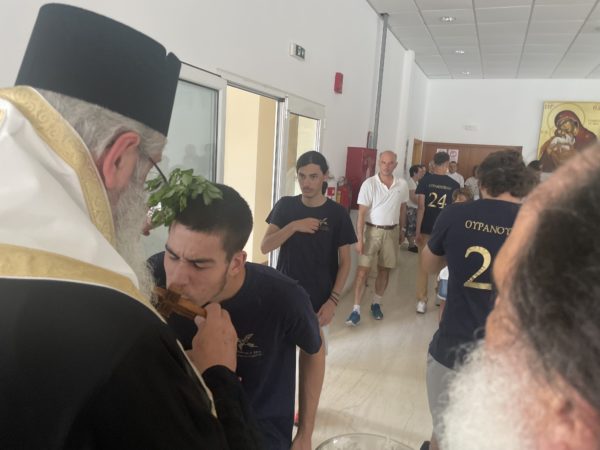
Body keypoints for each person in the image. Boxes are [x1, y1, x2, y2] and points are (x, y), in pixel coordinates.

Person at [0, 5, 262, 449]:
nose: (143, 214)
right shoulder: (118, 328)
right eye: (147, 170)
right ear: (120, 157)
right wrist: (218, 374)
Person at [439, 145, 600, 450]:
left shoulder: (456, 214)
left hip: (450, 341)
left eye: (509, 309)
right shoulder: (526, 220)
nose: (493, 328)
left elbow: (429, 261)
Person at [151, 184, 324, 450]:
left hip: (260, 436)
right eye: (172, 256)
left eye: (199, 264)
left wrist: (305, 433)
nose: (176, 280)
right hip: (183, 429)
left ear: (235, 263)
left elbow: (315, 349)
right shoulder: (151, 276)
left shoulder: (283, 297)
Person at [420, 150, 536, 450]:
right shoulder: (539, 224)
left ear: (482, 181)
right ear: (523, 182)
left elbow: (429, 265)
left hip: (452, 349)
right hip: (509, 360)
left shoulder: (455, 214)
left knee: (443, 434)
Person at [261, 151, 357, 331]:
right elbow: (265, 246)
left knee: (316, 347)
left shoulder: (337, 213)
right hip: (285, 294)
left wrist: (333, 301)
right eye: (302, 176)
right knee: (282, 347)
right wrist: (294, 226)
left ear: (325, 176)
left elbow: (345, 262)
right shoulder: (285, 205)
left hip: (320, 301)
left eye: (313, 177)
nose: (306, 183)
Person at [345, 150, 409, 325]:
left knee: (384, 270)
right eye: (383, 162)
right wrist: (359, 239)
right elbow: (361, 214)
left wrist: (402, 230)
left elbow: (403, 208)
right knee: (362, 271)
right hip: (371, 232)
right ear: (379, 163)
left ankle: (376, 303)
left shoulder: (402, 185)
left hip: (392, 232)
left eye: (390, 163)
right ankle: (355, 310)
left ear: (395, 165)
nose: (386, 166)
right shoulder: (369, 184)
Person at [414, 151, 460, 314]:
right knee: (444, 264)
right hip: (446, 230)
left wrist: (417, 231)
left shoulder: (425, 180)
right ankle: (440, 294)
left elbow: (421, 207)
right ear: (447, 164)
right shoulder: (454, 184)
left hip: (426, 227)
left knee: (423, 265)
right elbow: (455, 210)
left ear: (434, 163)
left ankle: (422, 300)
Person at [406, 164, 426, 252]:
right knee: (411, 226)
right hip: (411, 208)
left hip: (415, 207)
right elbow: (413, 197)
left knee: (413, 226)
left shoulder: (416, 182)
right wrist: (423, 203)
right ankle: (411, 245)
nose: (422, 173)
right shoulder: (411, 182)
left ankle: (412, 244)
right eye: (420, 172)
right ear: (414, 173)